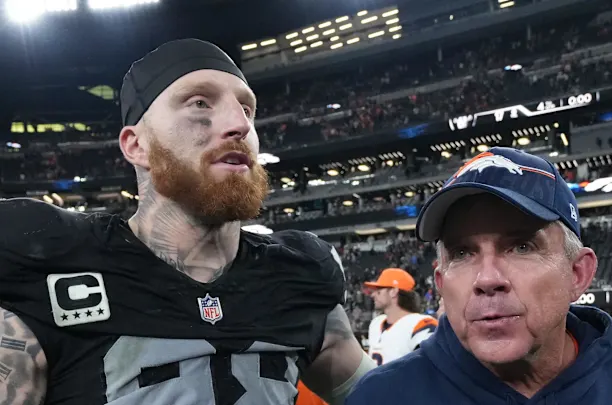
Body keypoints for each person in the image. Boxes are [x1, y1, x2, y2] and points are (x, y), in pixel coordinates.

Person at [0, 39, 374, 404]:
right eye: (200, 103)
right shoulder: (52, 266)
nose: (239, 124)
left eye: (247, 109)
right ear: (137, 145)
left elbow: (387, 393)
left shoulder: (299, 276)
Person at [346, 147, 612, 405]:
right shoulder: (380, 397)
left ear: (577, 274)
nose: (487, 279)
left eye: (522, 247)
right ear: (441, 284)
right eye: (462, 253)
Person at [364, 268, 438, 365]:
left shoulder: (421, 324)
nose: (373, 295)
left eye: (379, 291)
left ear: (393, 292)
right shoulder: (376, 323)